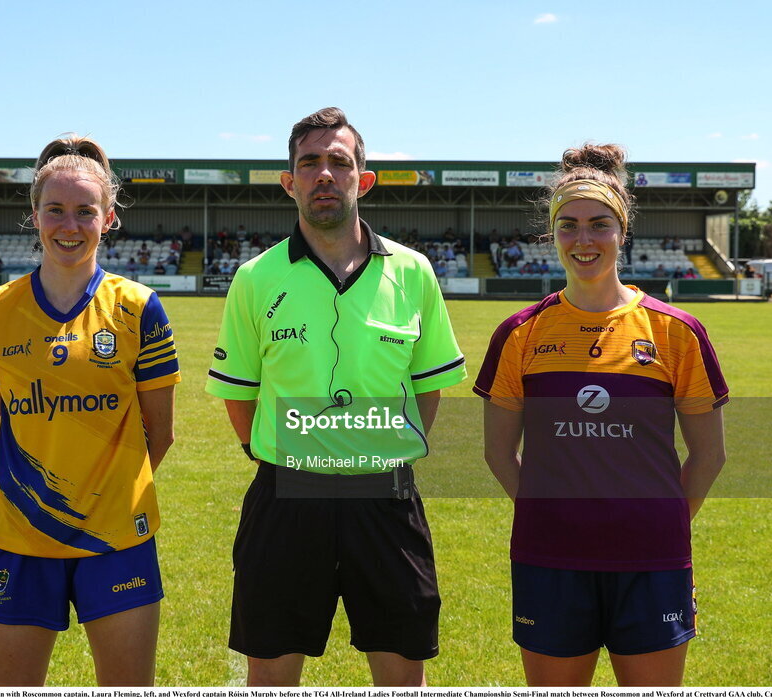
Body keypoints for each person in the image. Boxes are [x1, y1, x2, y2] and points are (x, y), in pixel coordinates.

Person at [206, 107, 466, 687]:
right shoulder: (254, 278)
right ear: (289, 181)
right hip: (287, 499)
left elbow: (427, 390)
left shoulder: (414, 273)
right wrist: (287, 456)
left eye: (339, 162)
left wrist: (382, 449)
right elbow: (240, 397)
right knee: (272, 673)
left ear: (362, 179)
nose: (324, 174)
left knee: (401, 672)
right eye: (309, 163)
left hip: (386, 499)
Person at [474, 144, 728, 687]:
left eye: (599, 225)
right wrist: (547, 513)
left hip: (653, 556)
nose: (583, 240)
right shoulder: (521, 333)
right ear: (551, 234)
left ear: (623, 229)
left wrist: (667, 522)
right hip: (550, 556)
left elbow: (710, 454)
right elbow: (498, 451)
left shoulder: (675, 332)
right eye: (567, 226)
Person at [0, 135, 180, 686]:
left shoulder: (139, 308)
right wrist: (41, 499)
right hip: (20, 538)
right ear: (34, 217)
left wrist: (102, 495)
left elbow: (162, 432)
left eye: (85, 211)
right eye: (55, 210)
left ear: (108, 220)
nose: (69, 225)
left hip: (118, 540)